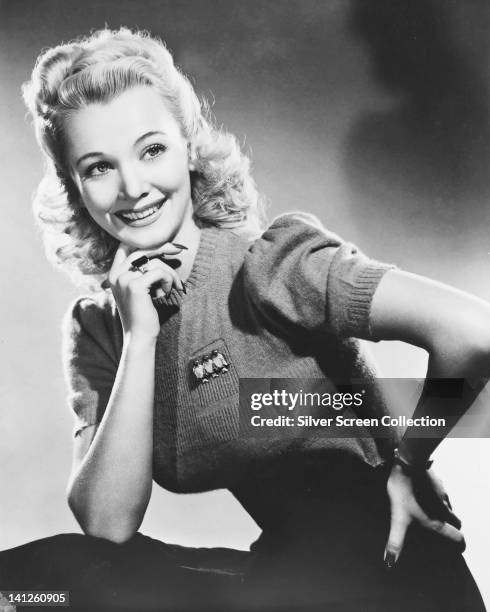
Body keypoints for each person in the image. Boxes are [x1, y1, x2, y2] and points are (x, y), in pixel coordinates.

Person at [1, 27, 488, 611]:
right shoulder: (102, 329)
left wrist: (411, 462)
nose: (133, 188)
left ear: (187, 146)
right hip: (290, 574)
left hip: (385, 567)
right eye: (99, 168)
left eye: (152, 149)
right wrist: (141, 335)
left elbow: (473, 334)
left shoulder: (273, 267)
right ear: (75, 189)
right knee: (34, 582)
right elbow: (107, 524)